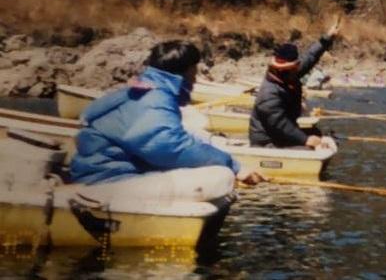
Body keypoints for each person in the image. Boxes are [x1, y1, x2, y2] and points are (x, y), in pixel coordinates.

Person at [70, 41, 262, 201]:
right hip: (107, 177)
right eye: (194, 69)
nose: (196, 76)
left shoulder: (150, 90)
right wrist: (233, 165)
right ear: (185, 71)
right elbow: (170, 147)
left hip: (106, 170)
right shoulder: (154, 99)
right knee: (221, 176)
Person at [248, 17, 340, 149]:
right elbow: (280, 124)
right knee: (308, 148)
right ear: (281, 70)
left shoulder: (289, 74)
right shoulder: (269, 94)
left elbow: (310, 56)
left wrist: (327, 38)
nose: (296, 70)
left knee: (316, 133)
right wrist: (306, 139)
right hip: (267, 141)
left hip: (281, 136)